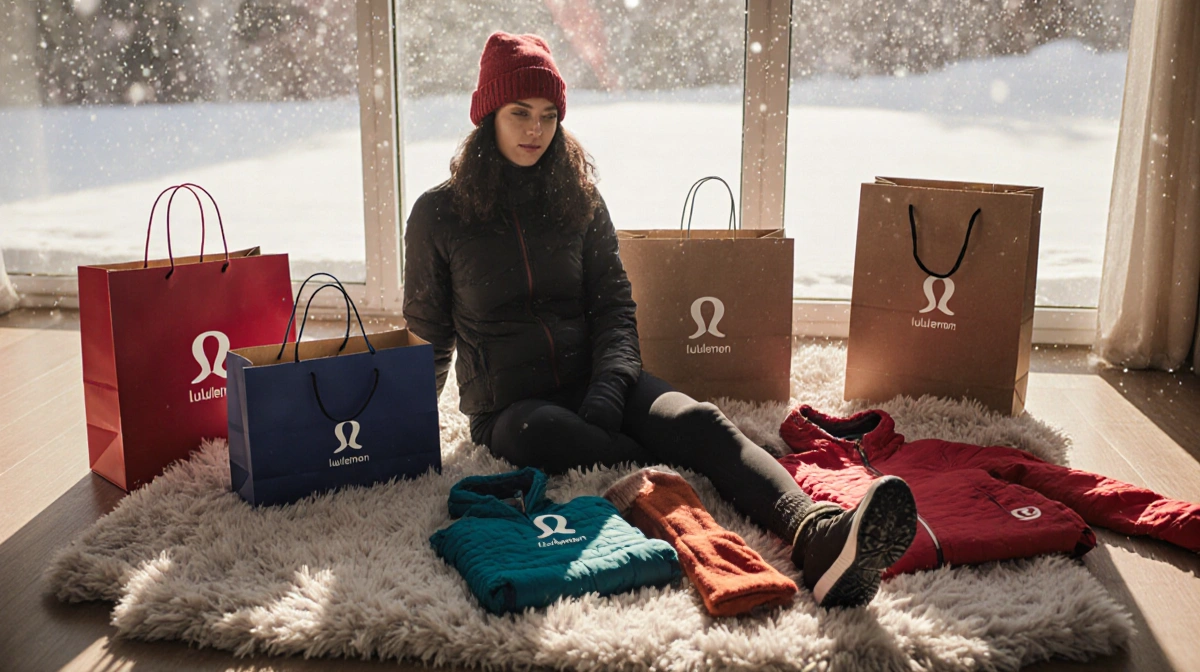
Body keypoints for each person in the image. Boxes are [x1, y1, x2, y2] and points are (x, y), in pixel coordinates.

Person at [402, 31, 918, 609]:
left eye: (549, 115)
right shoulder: (438, 214)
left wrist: (610, 384)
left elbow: (614, 306)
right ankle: (670, 460)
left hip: (600, 377)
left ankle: (819, 534)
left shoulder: (579, 196)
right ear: (487, 115)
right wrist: (405, 432)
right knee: (548, 435)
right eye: (519, 113)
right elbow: (427, 334)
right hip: (511, 406)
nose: (534, 130)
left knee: (702, 420)